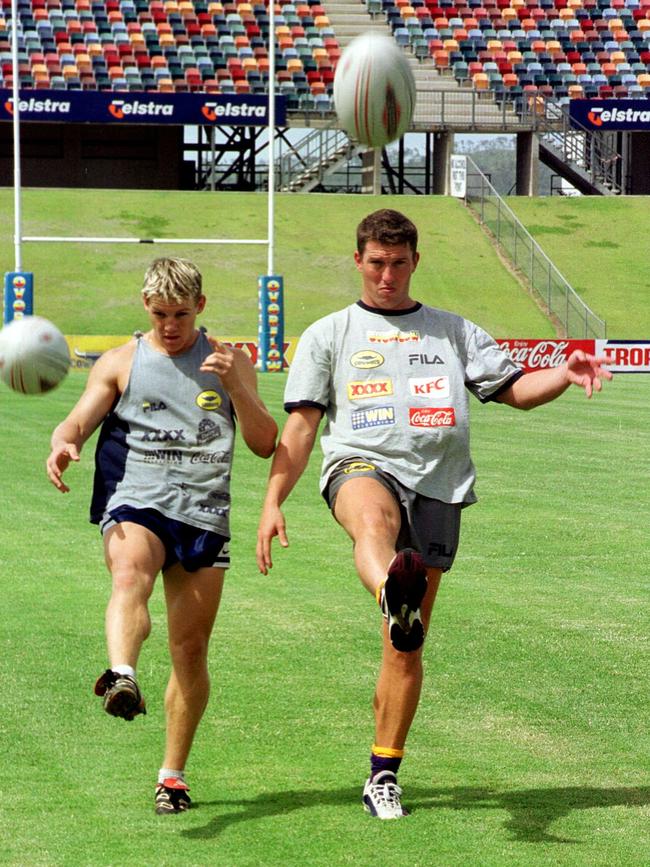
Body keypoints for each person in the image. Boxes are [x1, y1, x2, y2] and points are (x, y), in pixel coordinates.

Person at [255, 209, 612, 820]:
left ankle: (383, 772)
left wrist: (564, 371)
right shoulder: (330, 334)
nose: (387, 275)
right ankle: (392, 590)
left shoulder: (452, 332)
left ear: (415, 262)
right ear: (358, 261)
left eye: (397, 263)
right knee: (373, 525)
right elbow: (301, 426)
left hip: (440, 488)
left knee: (404, 650)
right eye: (375, 263)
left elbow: (515, 391)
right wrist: (271, 502)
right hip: (361, 465)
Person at [46, 257, 277, 815]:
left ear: (200, 305)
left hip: (204, 511)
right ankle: (121, 673)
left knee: (190, 650)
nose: (169, 325)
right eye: (158, 313)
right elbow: (76, 420)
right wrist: (64, 442)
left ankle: (172, 777)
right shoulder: (123, 362)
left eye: (179, 313)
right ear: (144, 307)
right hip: (136, 499)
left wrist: (235, 387)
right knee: (131, 576)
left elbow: (266, 441)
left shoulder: (230, 360)